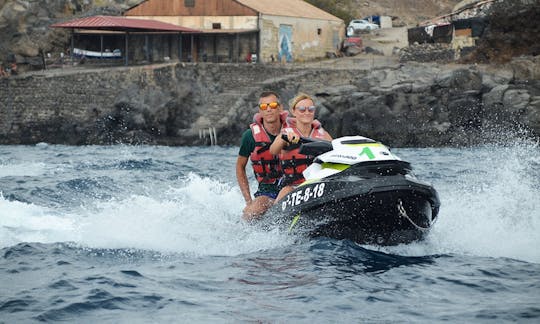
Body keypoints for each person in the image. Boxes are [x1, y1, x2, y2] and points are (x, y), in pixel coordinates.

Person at [269, 93, 333, 202]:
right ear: (294, 111)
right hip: (293, 186)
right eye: (302, 109)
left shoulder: (324, 135)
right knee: (285, 192)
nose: (307, 112)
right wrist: (284, 139)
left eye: (311, 109)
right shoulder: (287, 133)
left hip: (317, 186)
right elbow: (273, 150)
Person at [236, 91, 288, 221]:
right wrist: (248, 201)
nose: (269, 109)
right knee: (251, 214)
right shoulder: (250, 136)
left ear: (280, 108)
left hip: (292, 186)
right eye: (264, 107)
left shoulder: (293, 130)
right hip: (267, 191)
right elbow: (240, 166)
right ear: (260, 111)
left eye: (273, 105)